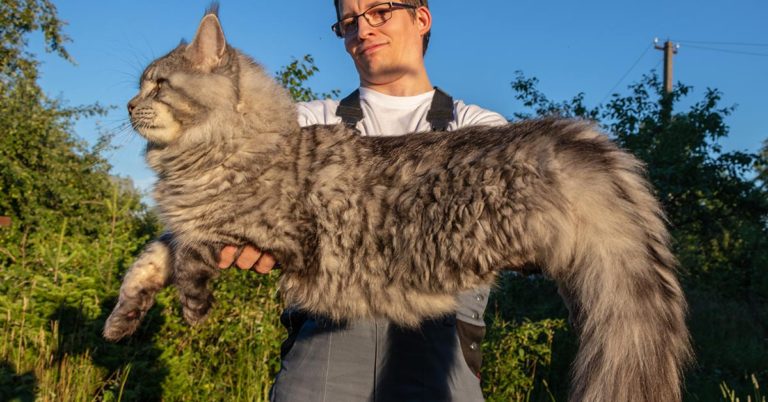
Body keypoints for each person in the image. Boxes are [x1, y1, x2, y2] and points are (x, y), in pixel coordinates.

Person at [218, 1, 507, 400]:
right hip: (322, 351)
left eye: (380, 12)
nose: (363, 30)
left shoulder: (481, 129)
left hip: (441, 354)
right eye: (349, 22)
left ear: (422, 19)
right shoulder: (304, 122)